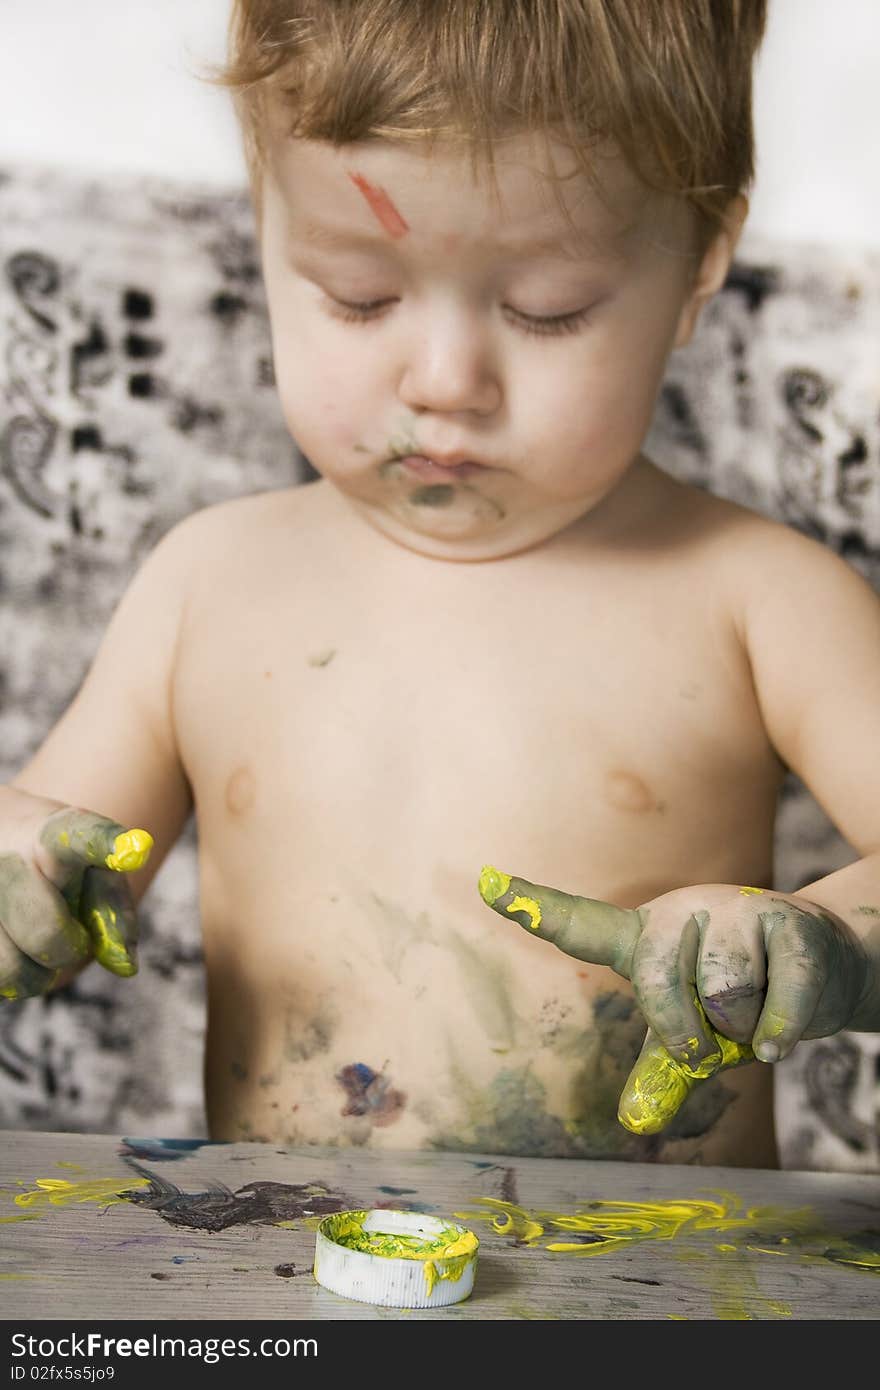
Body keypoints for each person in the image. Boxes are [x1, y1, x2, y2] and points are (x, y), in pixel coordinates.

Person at [1, 0, 878, 1168]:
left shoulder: (758, 600)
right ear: (264, 225)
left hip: (662, 1306)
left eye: (545, 309)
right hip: (293, 1300)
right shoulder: (206, 586)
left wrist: (819, 943)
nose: (445, 381)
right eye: (357, 295)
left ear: (701, 258)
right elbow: (48, 867)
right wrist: (24, 880)